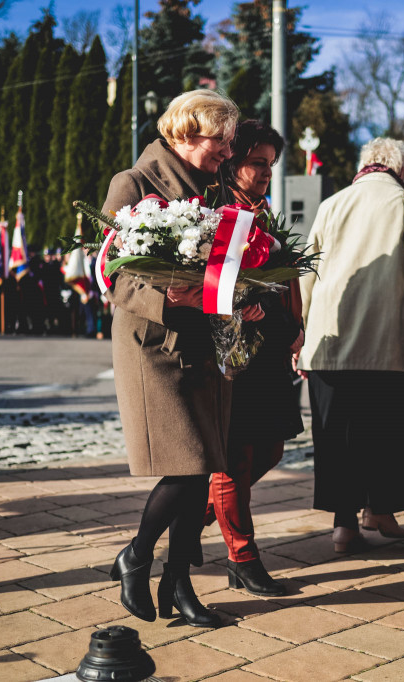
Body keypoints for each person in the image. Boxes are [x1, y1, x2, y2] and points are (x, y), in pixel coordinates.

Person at [101, 89, 252, 629]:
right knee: (186, 464)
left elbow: (225, 269)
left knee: (207, 463)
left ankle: (178, 584)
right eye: (222, 139)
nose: (229, 151)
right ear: (187, 132)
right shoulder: (133, 183)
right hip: (154, 343)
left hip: (204, 342)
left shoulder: (215, 190)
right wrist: (169, 299)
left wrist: (246, 297)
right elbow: (111, 271)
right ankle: (136, 555)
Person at [298, 137, 404, 552]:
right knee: (387, 431)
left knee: (337, 436)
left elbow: (306, 275)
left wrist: (303, 333)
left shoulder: (332, 204)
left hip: (330, 342)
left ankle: (344, 525)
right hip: (389, 343)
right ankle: (380, 509)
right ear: (401, 169)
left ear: (364, 166)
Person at [204, 120, 303, 596]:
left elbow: (289, 277)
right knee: (233, 461)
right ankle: (242, 558)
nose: (265, 172)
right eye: (256, 163)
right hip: (234, 355)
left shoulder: (263, 212)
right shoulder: (219, 212)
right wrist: (242, 301)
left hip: (269, 352)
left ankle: (177, 521)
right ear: (234, 162)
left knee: (270, 450)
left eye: (270, 164)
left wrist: (296, 324)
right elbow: (212, 286)